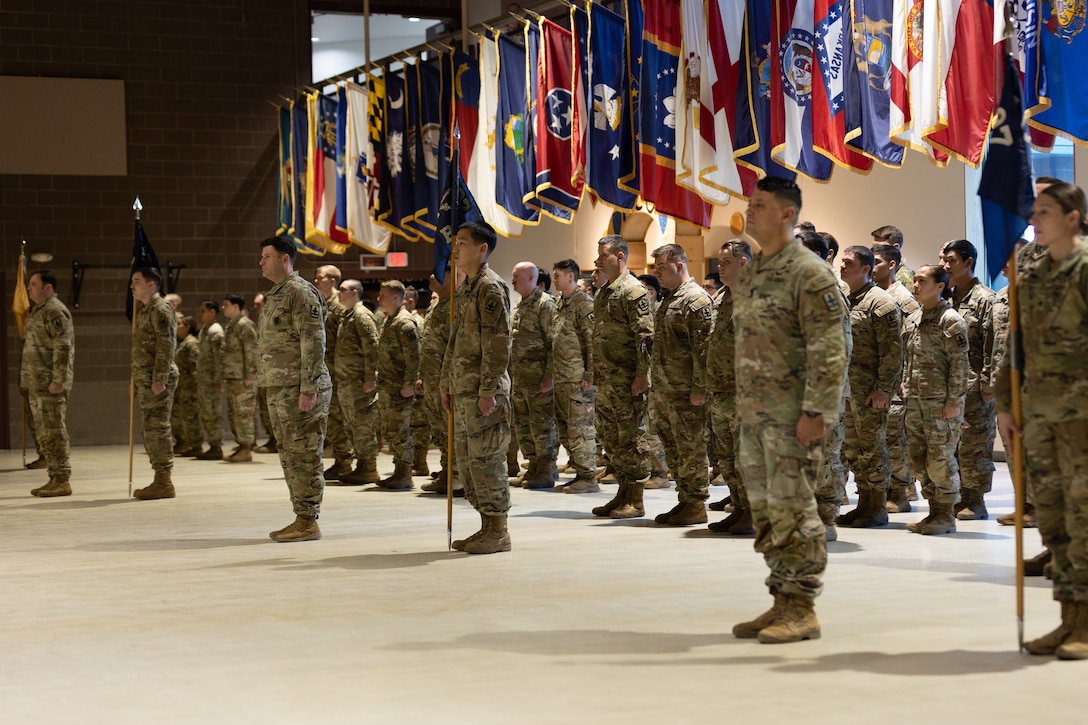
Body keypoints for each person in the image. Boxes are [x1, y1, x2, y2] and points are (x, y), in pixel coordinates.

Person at [732, 177, 847, 644]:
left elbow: (830, 349)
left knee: (794, 509)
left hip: (793, 417)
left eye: (759, 205)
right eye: (749, 203)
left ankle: (802, 608)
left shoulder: (809, 273)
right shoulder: (757, 269)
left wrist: (816, 412)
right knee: (766, 511)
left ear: (787, 214)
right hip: (756, 417)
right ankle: (781, 597)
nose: (749, 211)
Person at [996, 182, 1088, 659]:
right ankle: (1069, 618)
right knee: (1054, 523)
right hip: (1041, 418)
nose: (1036, 220)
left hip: (1081, 422)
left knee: (1084, 521)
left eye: (1046, 211)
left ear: (1072, 217)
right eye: (1034, 212)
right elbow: (1017, 346)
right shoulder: (1033, 277)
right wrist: (1005, 403)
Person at [440, 220, 513, 554]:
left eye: (463, 242)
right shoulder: (467, 287)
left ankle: (498, 531)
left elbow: (498, 344)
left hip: (483, 392)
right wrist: (446, 382)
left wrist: (488, 389)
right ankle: (486, 525)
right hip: (463, 389)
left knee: (487, 461)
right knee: (468, 462)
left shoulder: (490, 288)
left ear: (482, 249)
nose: (455, 248)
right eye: (455, 241)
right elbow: (454, 342)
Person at [258, 236, 332, 542]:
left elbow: (313, 341)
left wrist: (309, 387)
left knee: (303, 454)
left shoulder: (300, 292)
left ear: (284, 258)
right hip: (280, 387)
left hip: (299, 387)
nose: (261, 262)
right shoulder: (278, 294)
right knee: (289, 454)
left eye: (266, 256)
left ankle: (308, 519)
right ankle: (301, 515)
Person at [835, 246, 902, 528]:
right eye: (841, 262)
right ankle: (863, 502)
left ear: (865, 269)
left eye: (848, 263)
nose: (842, 267)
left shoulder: (881, 303)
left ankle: (877, 506)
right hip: (849, 391)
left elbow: (893, 351)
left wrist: (884, 389)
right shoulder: (848, 300)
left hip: (870, 392)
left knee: (872, 448)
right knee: (853, 449)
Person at [590, 235, 655, 520]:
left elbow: (645, 337)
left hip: (627, 380)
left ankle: (636, 499)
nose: (598, 260)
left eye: (603, 255)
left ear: (619, 257)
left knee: (630, 439)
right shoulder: (605, 292)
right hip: (607, 380)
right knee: (611, 440)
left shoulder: (633, 292)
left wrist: (642, 375)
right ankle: (622, 492)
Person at [649, 244, 713, 526]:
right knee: (674, 448)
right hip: (666, 389)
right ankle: (685, 498)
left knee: (691, 448)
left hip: (687, 391)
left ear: (679, 264)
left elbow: (703, 349)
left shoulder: (695, 300)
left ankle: (696, 503)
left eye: (661, 267)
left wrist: (699, 387)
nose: (656, 273)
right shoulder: (668, 299)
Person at [902, 265, 969, 535]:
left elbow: (960, 366)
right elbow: (910, 359)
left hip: (941, 405)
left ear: (940, 286)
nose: (915, 285)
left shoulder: (950, 320)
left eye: (921, 280)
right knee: (918, 459)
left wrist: (953, 401)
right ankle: (933, 512)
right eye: (915, 280)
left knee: (941, 460)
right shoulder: (914, 318)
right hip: (916, 402)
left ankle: (945, 514)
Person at [940, 239, 997, 520]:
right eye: (943, 260)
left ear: (968, 262)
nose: (944, 265)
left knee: (975, 445)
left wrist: (988, 384)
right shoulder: (946, 298)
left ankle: (975, 500)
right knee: (951, 445)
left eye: (950, 260)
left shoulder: (985, 299)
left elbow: (993, 343)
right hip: (950, 387)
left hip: (975, 386)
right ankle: (957, 495)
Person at [707, 240, 755, 535]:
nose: (719, 267)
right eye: (719, 262)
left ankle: (754, 513)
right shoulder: (721, 298)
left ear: (744, 263)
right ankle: (739, 508)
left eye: (726, 262)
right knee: (727, 458)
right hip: (721, 390)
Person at [871, 243, 922, 511]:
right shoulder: (871, 294)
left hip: (896, 380)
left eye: (878, 261)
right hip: (875, 378)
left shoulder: (902, 298)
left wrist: (905, 377)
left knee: (895, 438)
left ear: (891, 265)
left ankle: (900, 491)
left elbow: (914, 340)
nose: (873, 265)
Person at [21, 270, 75, 497]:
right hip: (37, 382)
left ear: (48, 288)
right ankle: (54, 477)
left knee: (54, 431)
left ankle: (62, 479)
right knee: (45, 433)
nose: (29, 288)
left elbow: (63, 346)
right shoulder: (38, 311)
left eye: (33, 284)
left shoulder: (55, 310)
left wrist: (58, 379)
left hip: (50, 384)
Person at [130, 267, 179, 500]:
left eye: (137, 281)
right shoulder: (144, 310)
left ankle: (164, 481)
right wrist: (136, 380)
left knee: (158, 429)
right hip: (146, 379)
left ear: (151, 285)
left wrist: (159, 378)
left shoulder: (160, 309)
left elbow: (166, 345)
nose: (132, 286)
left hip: (158, 380)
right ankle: (159, 478)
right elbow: (141, 350)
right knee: (149, 429)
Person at [551, 258, 598, 494]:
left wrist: (589, 374)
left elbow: (592, 341)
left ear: (571, 276)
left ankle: (589, 476)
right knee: (566, 429)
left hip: (578, 378)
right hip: (562, 377)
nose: (554, 280)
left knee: (580, 429)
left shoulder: (583, 303)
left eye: (558, 276)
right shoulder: (561, 303)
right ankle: (579, 471)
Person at [510, 262, 559, 490]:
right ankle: (532, 466)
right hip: (521, 380)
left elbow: (554, 344)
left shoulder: (545, 305)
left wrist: (549, 376)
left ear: (531, 278)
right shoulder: (519, 306)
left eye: (516, 276)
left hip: (539, 379)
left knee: (542, 425)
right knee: (523, 425)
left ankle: (546, 470)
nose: (512, 280)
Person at [419, 268, 466, 495]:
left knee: (452, 428)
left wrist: (447, 380)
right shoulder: (438, 305)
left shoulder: (457, 308)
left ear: (455, 277)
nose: (432, 276)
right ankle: (447, 471)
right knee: (439, 429)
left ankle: (458, 475)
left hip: (448, 381)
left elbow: (457, 348)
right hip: (432, 379)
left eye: (440, 272)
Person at [375, 279, 422, 491]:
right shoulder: (390, 320)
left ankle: (404, 474)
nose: (378, 299)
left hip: (399, 388)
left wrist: (409, 384)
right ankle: (398, 471)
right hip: (387, 386)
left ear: (396, 297)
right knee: (391, 430)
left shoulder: (404, 323)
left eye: (383, 295)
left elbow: (414, 358)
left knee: (400, 431)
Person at [334, 280, 381, 485]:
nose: (339, 293)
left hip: (359, 382)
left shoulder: (362, 316)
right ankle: (361, 465)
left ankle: (369, 468)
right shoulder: (347, 315)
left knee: (363, 425)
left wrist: (371, 377)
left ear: (355, 292)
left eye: (343, 290)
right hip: (347, 381)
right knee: (352, 425)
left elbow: (372, 347)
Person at [313, 265, 353, 481]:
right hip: (324, 370)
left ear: (332, 280)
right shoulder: (323, 304)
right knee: (331, 418)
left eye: (319, 278)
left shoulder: (339, 307)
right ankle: (341, 460)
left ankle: (346, 461)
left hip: (338, 372)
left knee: (339, 417)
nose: (316, 281)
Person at [220, 293, 259, 463]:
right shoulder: (231, 325)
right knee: (234, 413)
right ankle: (241, 444)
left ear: (236, 306)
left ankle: (246, 448)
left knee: (244, 414)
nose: (223, 308)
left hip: (243, 379)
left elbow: (251, 352)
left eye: (226, 304)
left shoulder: (245, 325)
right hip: (233, 377)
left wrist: (249, 376)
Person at [194, 300, 225, 460]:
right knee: (207, 413)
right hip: (204, 380)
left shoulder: (215, 332)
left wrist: (217, 380)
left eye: (203, 311)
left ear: (212, 312)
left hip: (212, 381)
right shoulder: (205, 330)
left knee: (213, 413)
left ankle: (216, 445)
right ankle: (213, 444)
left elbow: (219, 358)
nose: (200, 314)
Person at [171, 315, 202, 457]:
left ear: (188, 327)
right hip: (182, 387)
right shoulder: (182, 343)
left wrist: (196, 388)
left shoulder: (191, 343)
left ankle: (196, 445)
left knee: (191, 417)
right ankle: (187, 443)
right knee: (183, 417)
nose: (177, 327)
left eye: (179, 324)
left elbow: (196, 367)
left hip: (190, 388)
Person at [252, 292, 276, 453]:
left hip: (274, 372)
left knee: (273, 408)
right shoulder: (262, 322)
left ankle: (276, 439)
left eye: (258, 304)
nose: (255, 307)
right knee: (264, 408)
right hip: (262, 372)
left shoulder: (274, 321)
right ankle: (272, 438)